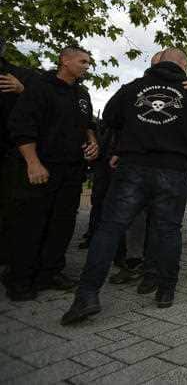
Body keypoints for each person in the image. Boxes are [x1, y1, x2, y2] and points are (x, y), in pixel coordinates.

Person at [61, 48, 187, 324]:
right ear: (184, 64)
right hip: (173, 169)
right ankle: (166, 291)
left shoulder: (133, 87)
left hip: (132, 167)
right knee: (168, 230)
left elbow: (110, 117)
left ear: (159, 61)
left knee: (110, 229)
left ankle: (87, 295)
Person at [5, 46, 97, 301]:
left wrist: (92, 140)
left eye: (88, 63)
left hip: (71, 171)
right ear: (64, 61)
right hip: (41, 168)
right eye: (82, 61)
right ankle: (20, 279)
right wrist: (33, 162)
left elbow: (87, 124)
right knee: (31, 223)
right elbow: (21, 126)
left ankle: (51, 272)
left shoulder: (82, 94)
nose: (86, 66)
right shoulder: (39, 87)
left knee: (62, 223)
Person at [0, 38, 36, 266]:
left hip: (9, 154)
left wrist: (23, 90)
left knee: (9, 207)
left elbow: (43, 109)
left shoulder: (19, 76)